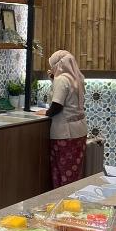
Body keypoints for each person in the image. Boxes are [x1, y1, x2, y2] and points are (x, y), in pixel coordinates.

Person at [42, 50, 87, 188]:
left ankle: (63, 200)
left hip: (65, 133)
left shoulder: (61, 80)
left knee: (62, 173)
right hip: (79, 131)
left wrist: (46, 113)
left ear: (58, 65)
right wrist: (53, 79)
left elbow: (57, 106)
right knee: (74, 172)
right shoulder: (78, 78)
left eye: (52, 66)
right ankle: (72, 199)